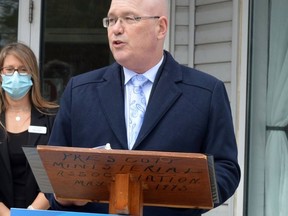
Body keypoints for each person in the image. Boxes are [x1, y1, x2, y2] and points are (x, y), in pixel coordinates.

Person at [47, 0, 241, 215]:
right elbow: (53, 167)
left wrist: (182, 191)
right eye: (111, 20)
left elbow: (226, 170)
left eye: (130, 18)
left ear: (161, 28)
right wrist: (63, 197)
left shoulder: (205, 92)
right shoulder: (79, 90)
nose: (116, 28)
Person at [0, 42, 59, 215]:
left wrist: (31, 212)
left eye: (23, 69)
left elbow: (57, 174)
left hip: (41, 212)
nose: (16, 76)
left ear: (32, 74)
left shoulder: (52, 118)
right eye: (9, 69)